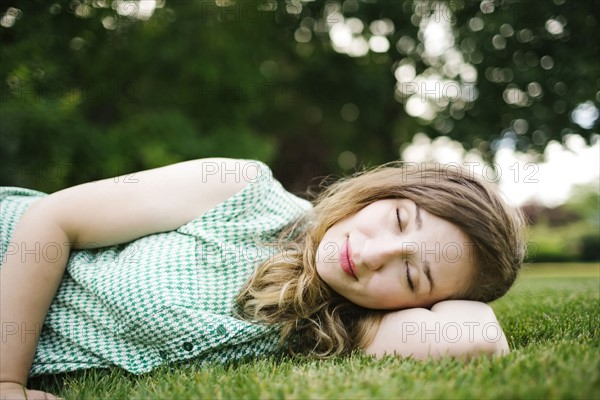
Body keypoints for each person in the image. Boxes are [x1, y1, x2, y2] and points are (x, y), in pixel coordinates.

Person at [0, 158, 525, 399]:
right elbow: (51, 221)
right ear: (381, 191)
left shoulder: (335, 329)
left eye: (411, 273)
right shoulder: (241, 188)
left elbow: (476, 341)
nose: (372, 255)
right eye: (398, 219)